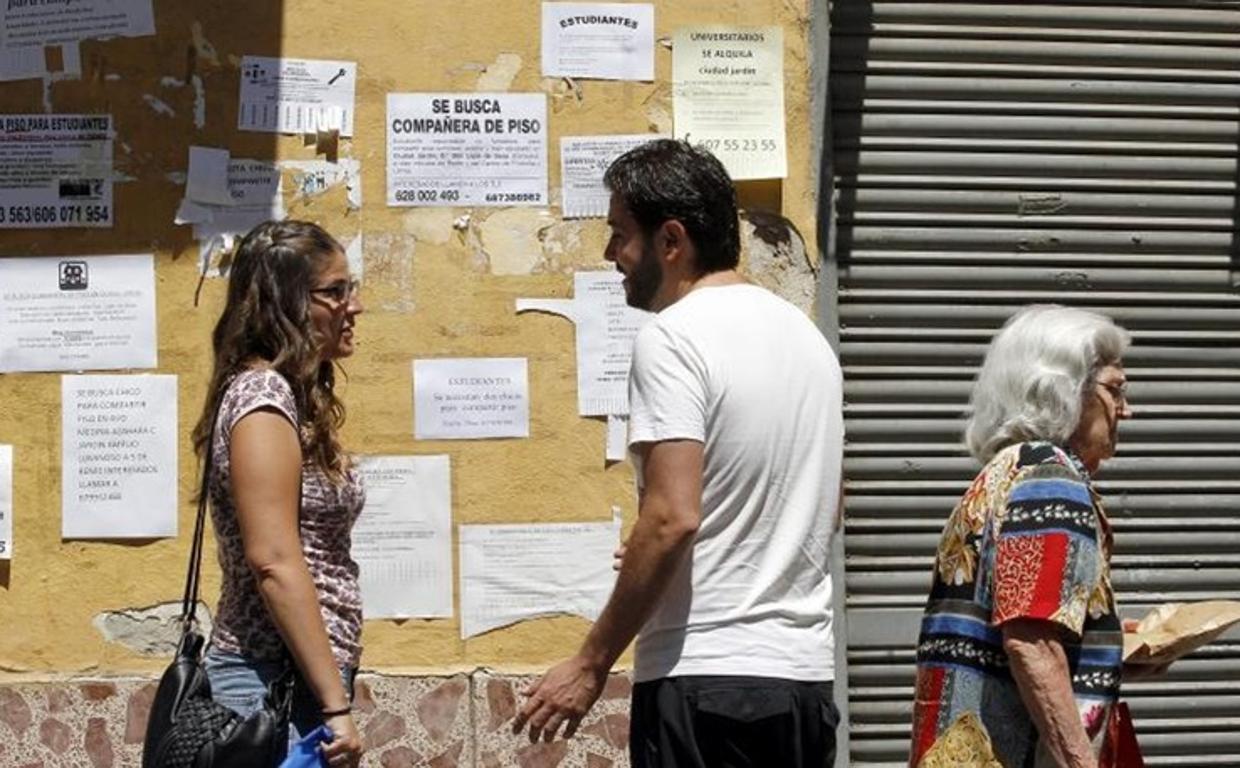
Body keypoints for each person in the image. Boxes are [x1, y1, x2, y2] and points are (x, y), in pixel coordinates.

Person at [513, 139, 845, 767]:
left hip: (705, 684)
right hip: (802, 685)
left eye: (619, 233)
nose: (611, 254)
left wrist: (590, 664)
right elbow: (825, 508)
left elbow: (673, 518)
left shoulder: (672, 338)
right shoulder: (807, 340)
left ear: (671, 241)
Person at [909, 305, 1135, 768]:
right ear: (1064, 390)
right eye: (1115, 391)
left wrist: (1111, 648)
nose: (1126, 410)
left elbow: (1017, 623)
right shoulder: (1049, 480)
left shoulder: (1008, 473)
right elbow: (1030, 641)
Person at [190, 219, 366, 767]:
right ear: (285, 304)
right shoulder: (263, 396)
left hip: (289, 679)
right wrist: (335, 706)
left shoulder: (286, 395)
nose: (353, 306)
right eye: (334, 291)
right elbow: (273, 560)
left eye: (349, 288)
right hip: (270, 685)